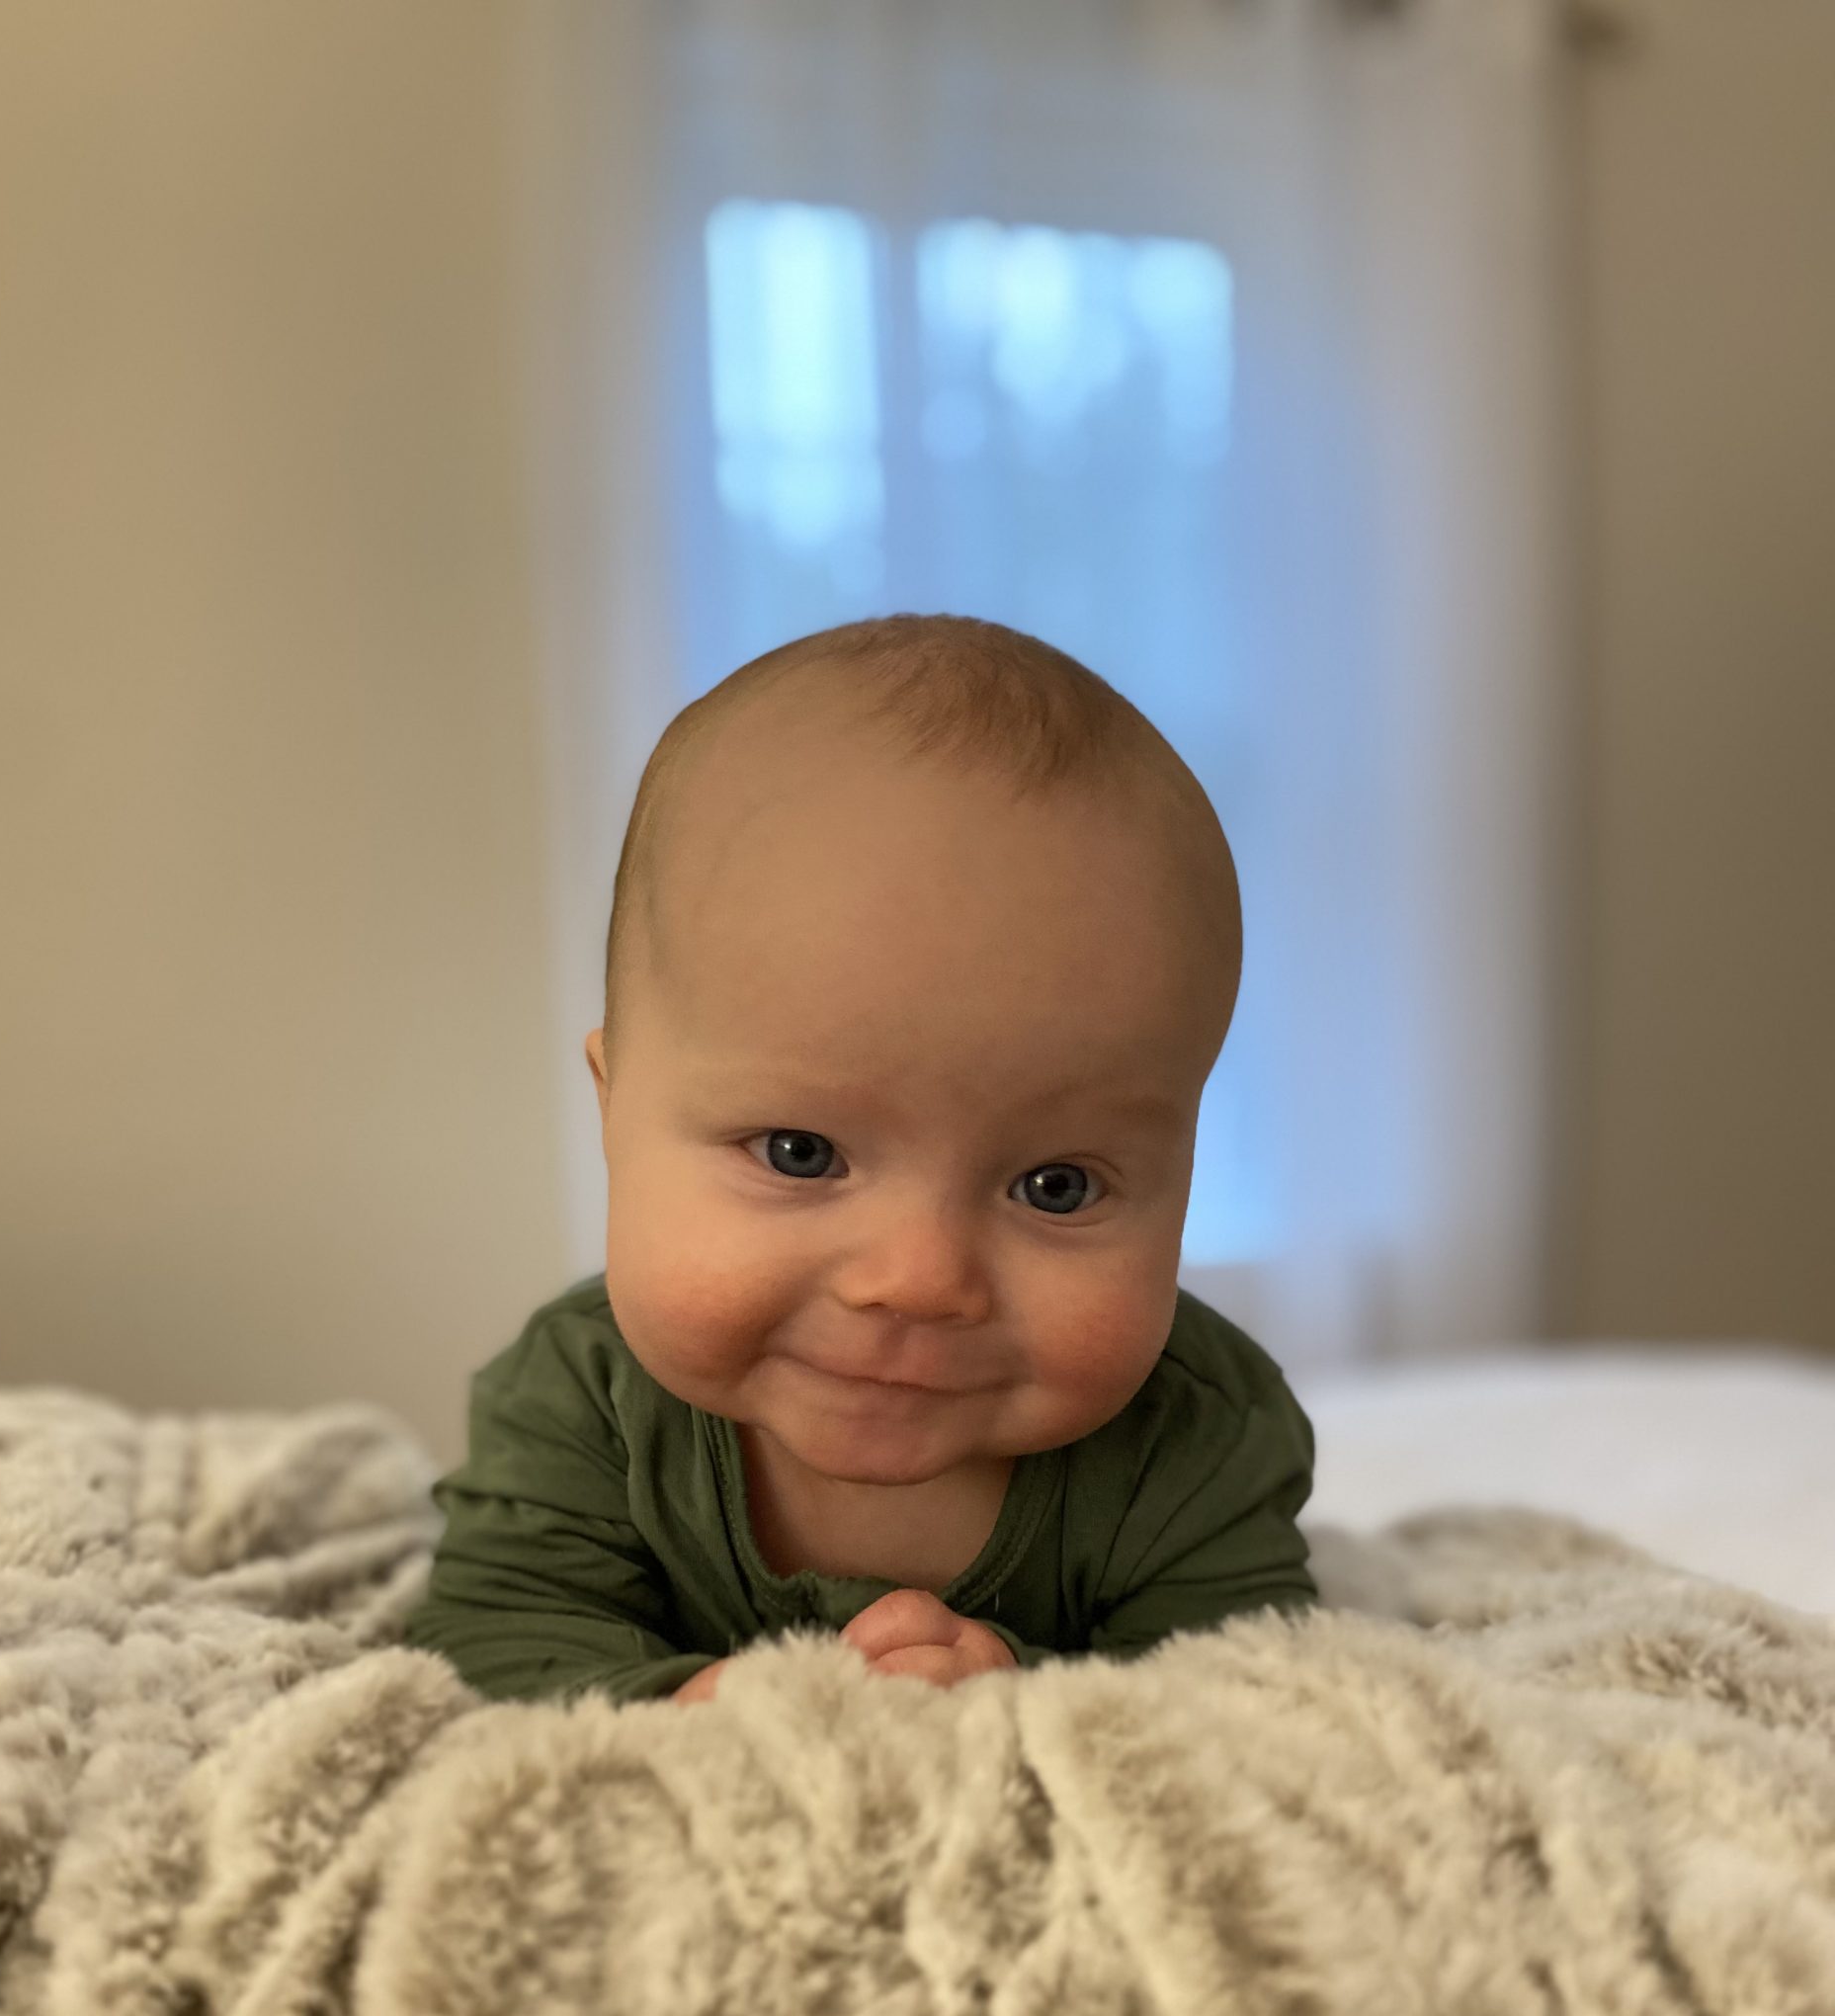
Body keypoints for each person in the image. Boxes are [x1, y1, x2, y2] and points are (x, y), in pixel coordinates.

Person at [400, 613, 1316, 1707]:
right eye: (801, 1153)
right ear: (614, 1107)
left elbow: (1245, 1703)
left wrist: (1029, 1700)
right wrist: (688, 1713)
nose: (919, 1278)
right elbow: (488, 1653)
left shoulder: (1200, 1439)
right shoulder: (581, 1402)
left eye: (1054, 1186)